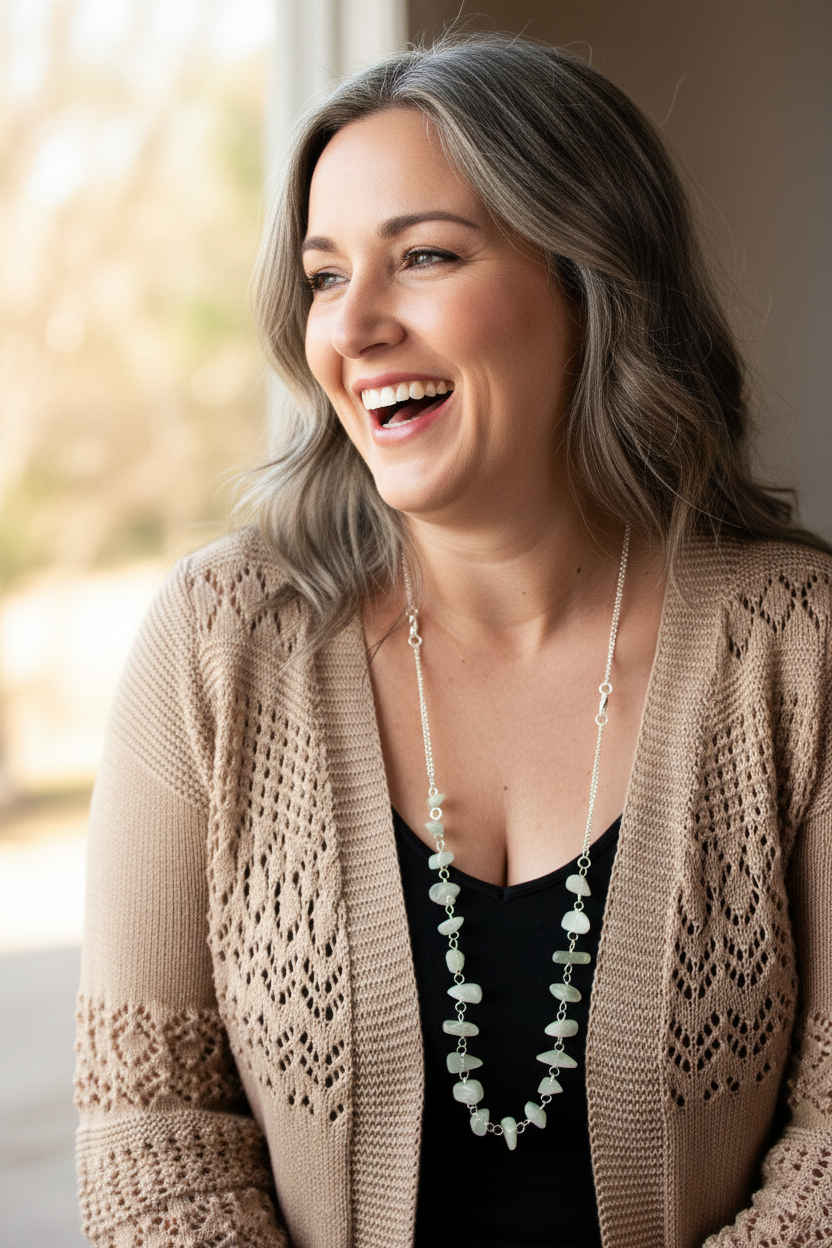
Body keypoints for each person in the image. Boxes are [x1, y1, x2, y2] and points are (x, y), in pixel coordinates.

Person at [75, 32, 832, 1248]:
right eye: (326, 277)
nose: (354, 326)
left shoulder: (796, 650)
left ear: (588, 283)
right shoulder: (220, 643)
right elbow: (150, 1131)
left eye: (423, 256)